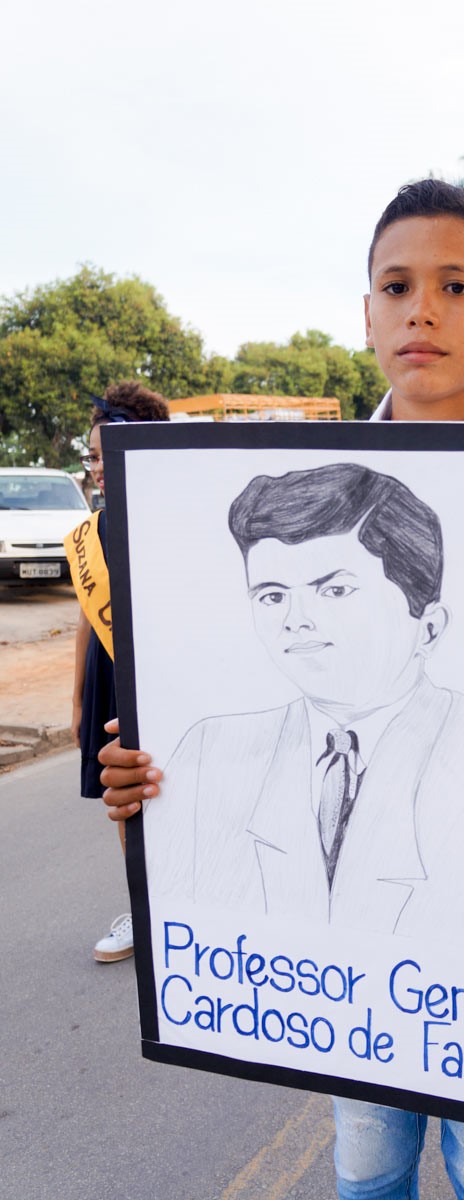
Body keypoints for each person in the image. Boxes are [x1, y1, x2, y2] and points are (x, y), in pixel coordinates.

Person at [99, 181, 464, 1200]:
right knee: (364, 1162)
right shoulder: (226, 742)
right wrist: (148, 788)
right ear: (365, 312)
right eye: (396, 286)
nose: (421, 311)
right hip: (344, 1003)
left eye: (455, 285)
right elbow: (192, 866)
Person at [145, 462, 464, 961]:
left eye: (334, 590)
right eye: (273, 596)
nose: (296, 621)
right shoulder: (207, 756)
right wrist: (140, 801)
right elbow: (177, 930)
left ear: (428, 626)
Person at [68, 380, 170, 962]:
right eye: (92, 456)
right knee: (122, 796)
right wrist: (78, 699)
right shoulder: (95, 530)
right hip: (108, 672)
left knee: (167, 787)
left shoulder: (171, 518)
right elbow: (87, 616)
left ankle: (182, 903)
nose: (98, 467)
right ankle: (143, 907)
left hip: (159, 674)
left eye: (105, 453)